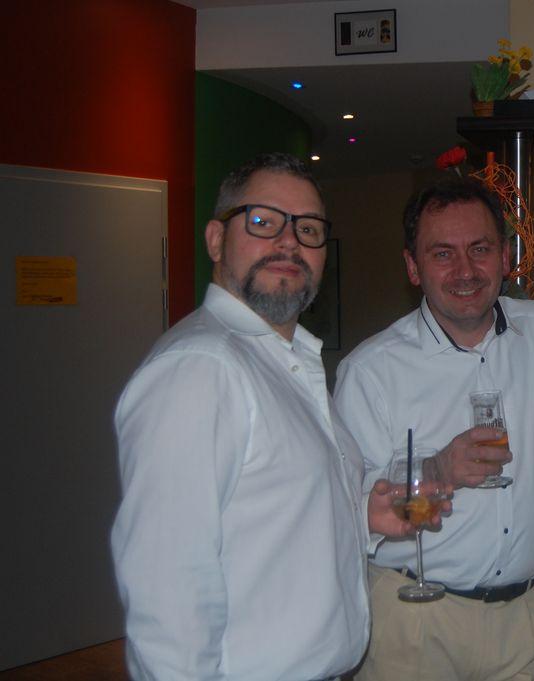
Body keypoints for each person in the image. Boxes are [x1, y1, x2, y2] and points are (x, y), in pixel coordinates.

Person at [110, 153, 427, 681]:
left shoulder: (286, 362)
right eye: (263, 221)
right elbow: (168, 588)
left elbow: (266, 521)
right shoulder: (201, 368)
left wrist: (361, 519)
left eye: (308, 229)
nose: (289, 242)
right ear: (216, 239)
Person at [333, 176, 534, 681]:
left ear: (505, 256)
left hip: (521, 621)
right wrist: (437, 469)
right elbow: (344, 510)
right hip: (411, 621)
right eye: (443, 254)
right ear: (413, 267)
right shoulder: (371, 371)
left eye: (480, 249)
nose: (465, 270)